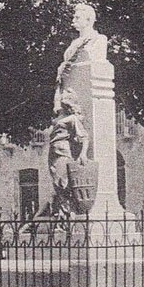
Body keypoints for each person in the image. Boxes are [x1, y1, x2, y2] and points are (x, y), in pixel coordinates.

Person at [46, 89, 90, 220]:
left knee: (63, 183)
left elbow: (85, 137)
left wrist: (83, 154)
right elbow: (55, 101)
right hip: (53, 153)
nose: (61, 102)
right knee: (56, 182)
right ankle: (62, 213)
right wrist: (58, 82)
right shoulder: (58, 117)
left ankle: (66, 214)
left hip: (63, 152)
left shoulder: (72, 119)